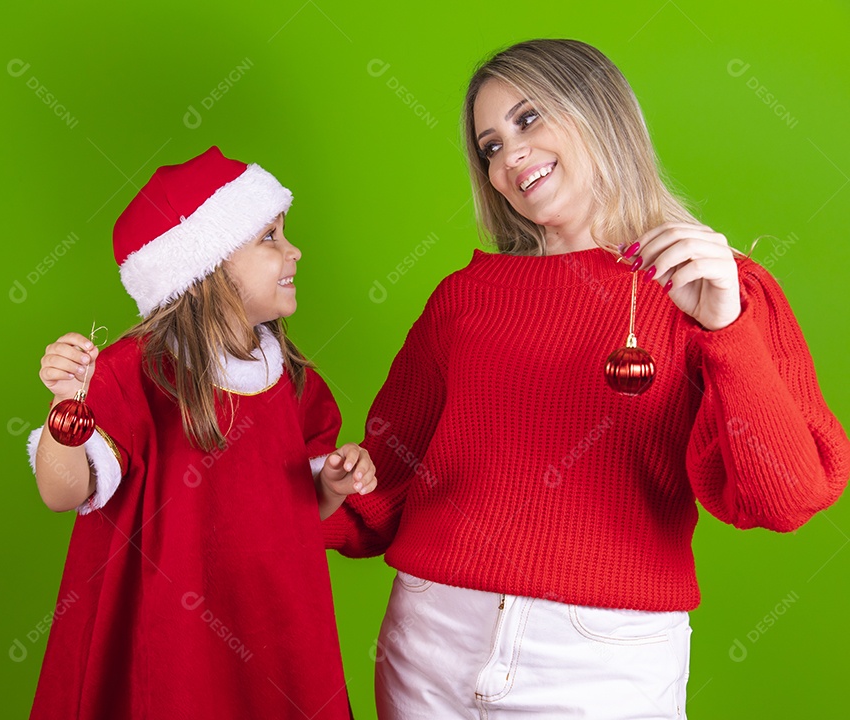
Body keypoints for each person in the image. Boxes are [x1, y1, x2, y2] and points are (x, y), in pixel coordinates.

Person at [323, 39, 850, 719]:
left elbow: (785, 497)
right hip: (431, 636)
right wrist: (309, 487)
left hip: (603, 658)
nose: (508, 157)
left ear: (600, 112)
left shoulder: (720, 287)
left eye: (528, 119)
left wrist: (726, 333)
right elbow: (381, 491)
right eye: (488, 146)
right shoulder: (464, 297)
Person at [25, 146, 375, 719]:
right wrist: (68, 405)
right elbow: (61, 493)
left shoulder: (292, 380)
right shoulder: (131, 372)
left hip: (276, 630)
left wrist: (333, 482)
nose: (294, 251)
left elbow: (301, 508)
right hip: (171, 639)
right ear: (207, 266)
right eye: (269, 237)